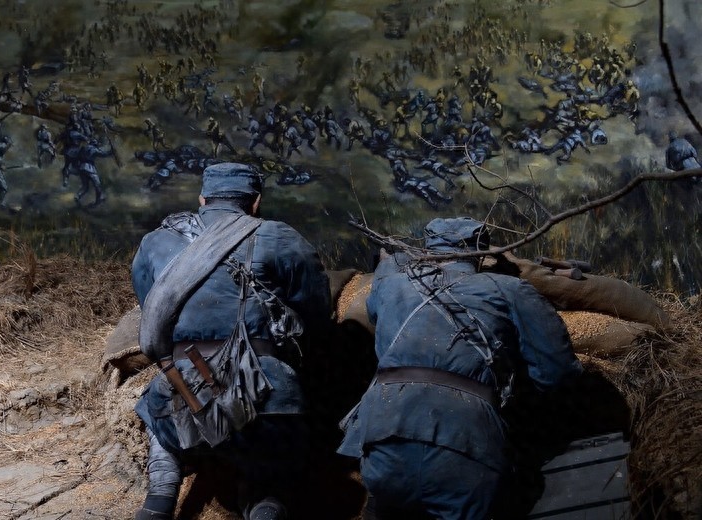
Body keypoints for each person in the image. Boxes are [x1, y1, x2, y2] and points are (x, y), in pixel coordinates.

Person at [337, 217, 583, 520]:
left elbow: (375, 311)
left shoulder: (392, 283)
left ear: (429, 248)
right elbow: (557, 372)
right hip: (464, 442)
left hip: (382, 432)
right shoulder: (510, 289)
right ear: (481, 253)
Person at [130, 162, 332, 520]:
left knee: (157, 406)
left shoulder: (157, 241)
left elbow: (151, 307)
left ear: (202, 199)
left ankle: (160, 494)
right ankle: (265, 500)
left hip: (184, 394)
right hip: (266, 398)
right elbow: (315, 313)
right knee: (273, 455)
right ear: (255, 203)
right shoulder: (281, 237)